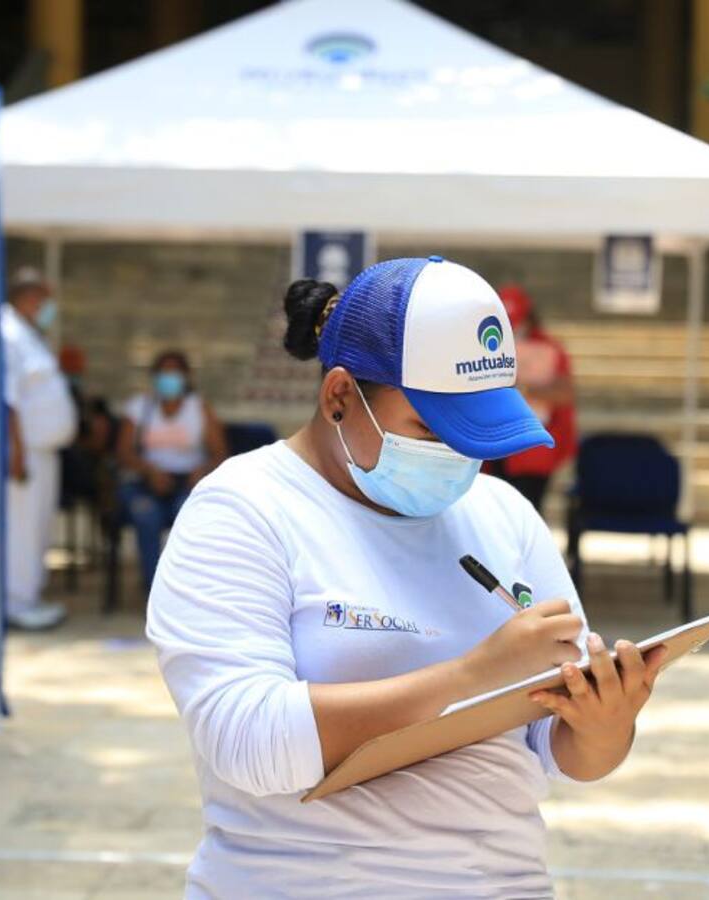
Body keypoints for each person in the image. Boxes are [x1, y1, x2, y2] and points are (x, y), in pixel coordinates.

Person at [146, 257, 670, 899]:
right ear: (339, 396)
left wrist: (605, 721)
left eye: (475, 433)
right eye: (430, 428)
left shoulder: (502, 513)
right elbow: (247, 742)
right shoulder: (244, 508)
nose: (458, 456)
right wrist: (474, 675)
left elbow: (560, 752)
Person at [1, 267, 77, 630]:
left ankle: (27, 595)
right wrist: (14, 451)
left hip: (41, 451)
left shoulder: (27, 333)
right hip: (24, 452)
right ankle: (17, 602)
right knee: (22, 528)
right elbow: (8, 400)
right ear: (30, 297)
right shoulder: (7, 333)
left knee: (37, 527)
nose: (49, 306)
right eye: (45, 298)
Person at [116, 351, 227, 593]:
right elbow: (123, 453)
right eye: (163, 372)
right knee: (147, 516)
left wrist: (201, 470)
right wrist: (148, 471)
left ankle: (185, 589)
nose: (169, 378)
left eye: (175, 372)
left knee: (188, 515)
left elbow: (219, 453)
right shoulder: (139, 407)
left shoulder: (199, 408)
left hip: (187, 483)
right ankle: (153, 589)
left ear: (186, 376)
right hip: (145, 483)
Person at [486, 283, 577, 511]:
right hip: (492, 443)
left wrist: (522, 388)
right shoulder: (486, 344)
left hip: (531, 450)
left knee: (527, 512)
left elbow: (565, 393)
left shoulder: (549, 349)